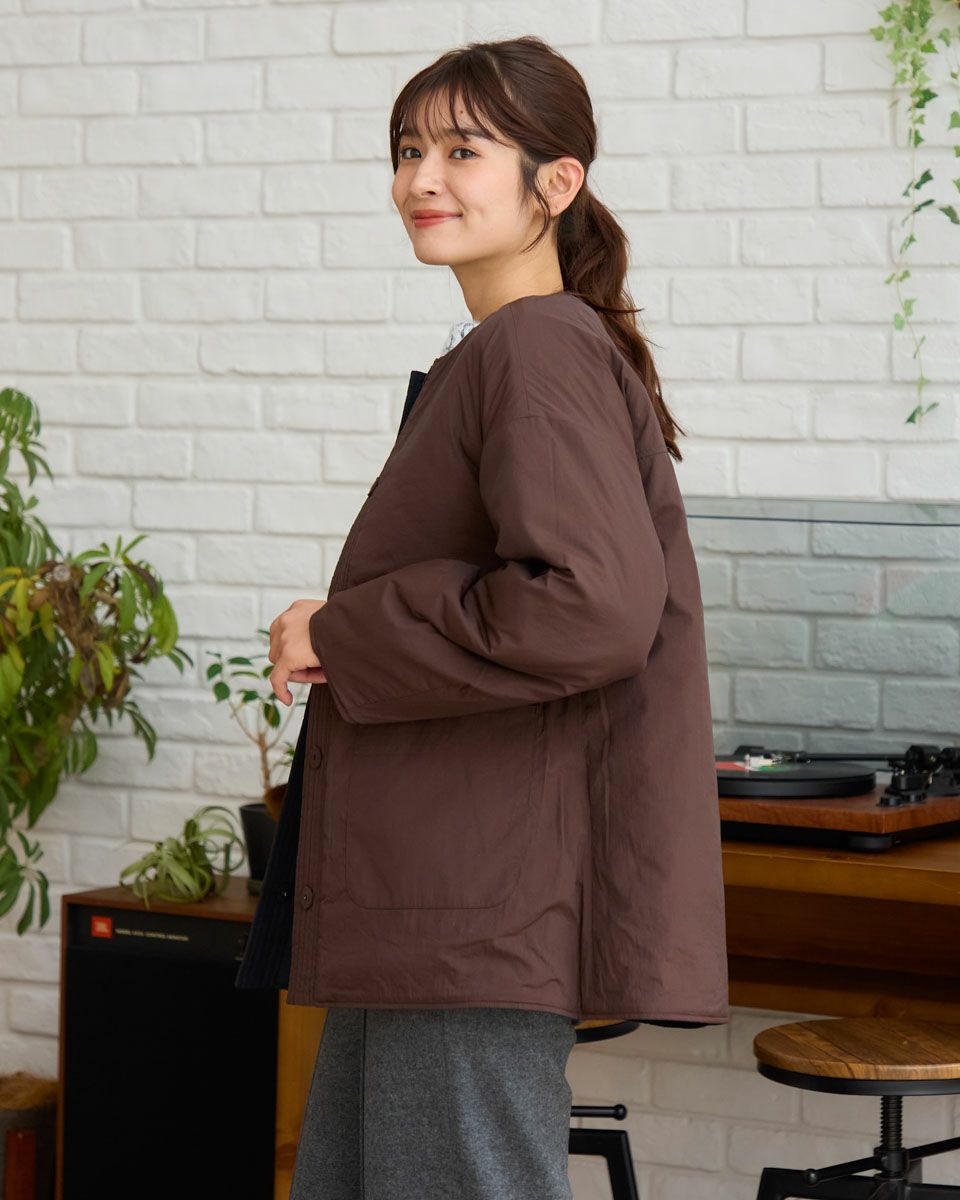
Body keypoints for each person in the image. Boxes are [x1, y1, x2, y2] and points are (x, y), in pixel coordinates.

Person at [255, 33, 730, 1200]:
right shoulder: (512, 349)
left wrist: (343, 631)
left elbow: (590, 606)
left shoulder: (536, 346)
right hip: (434, 898)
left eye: (463, 151)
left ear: (555, 182)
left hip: (472, 905)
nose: (422, 178)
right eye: (407, 149)